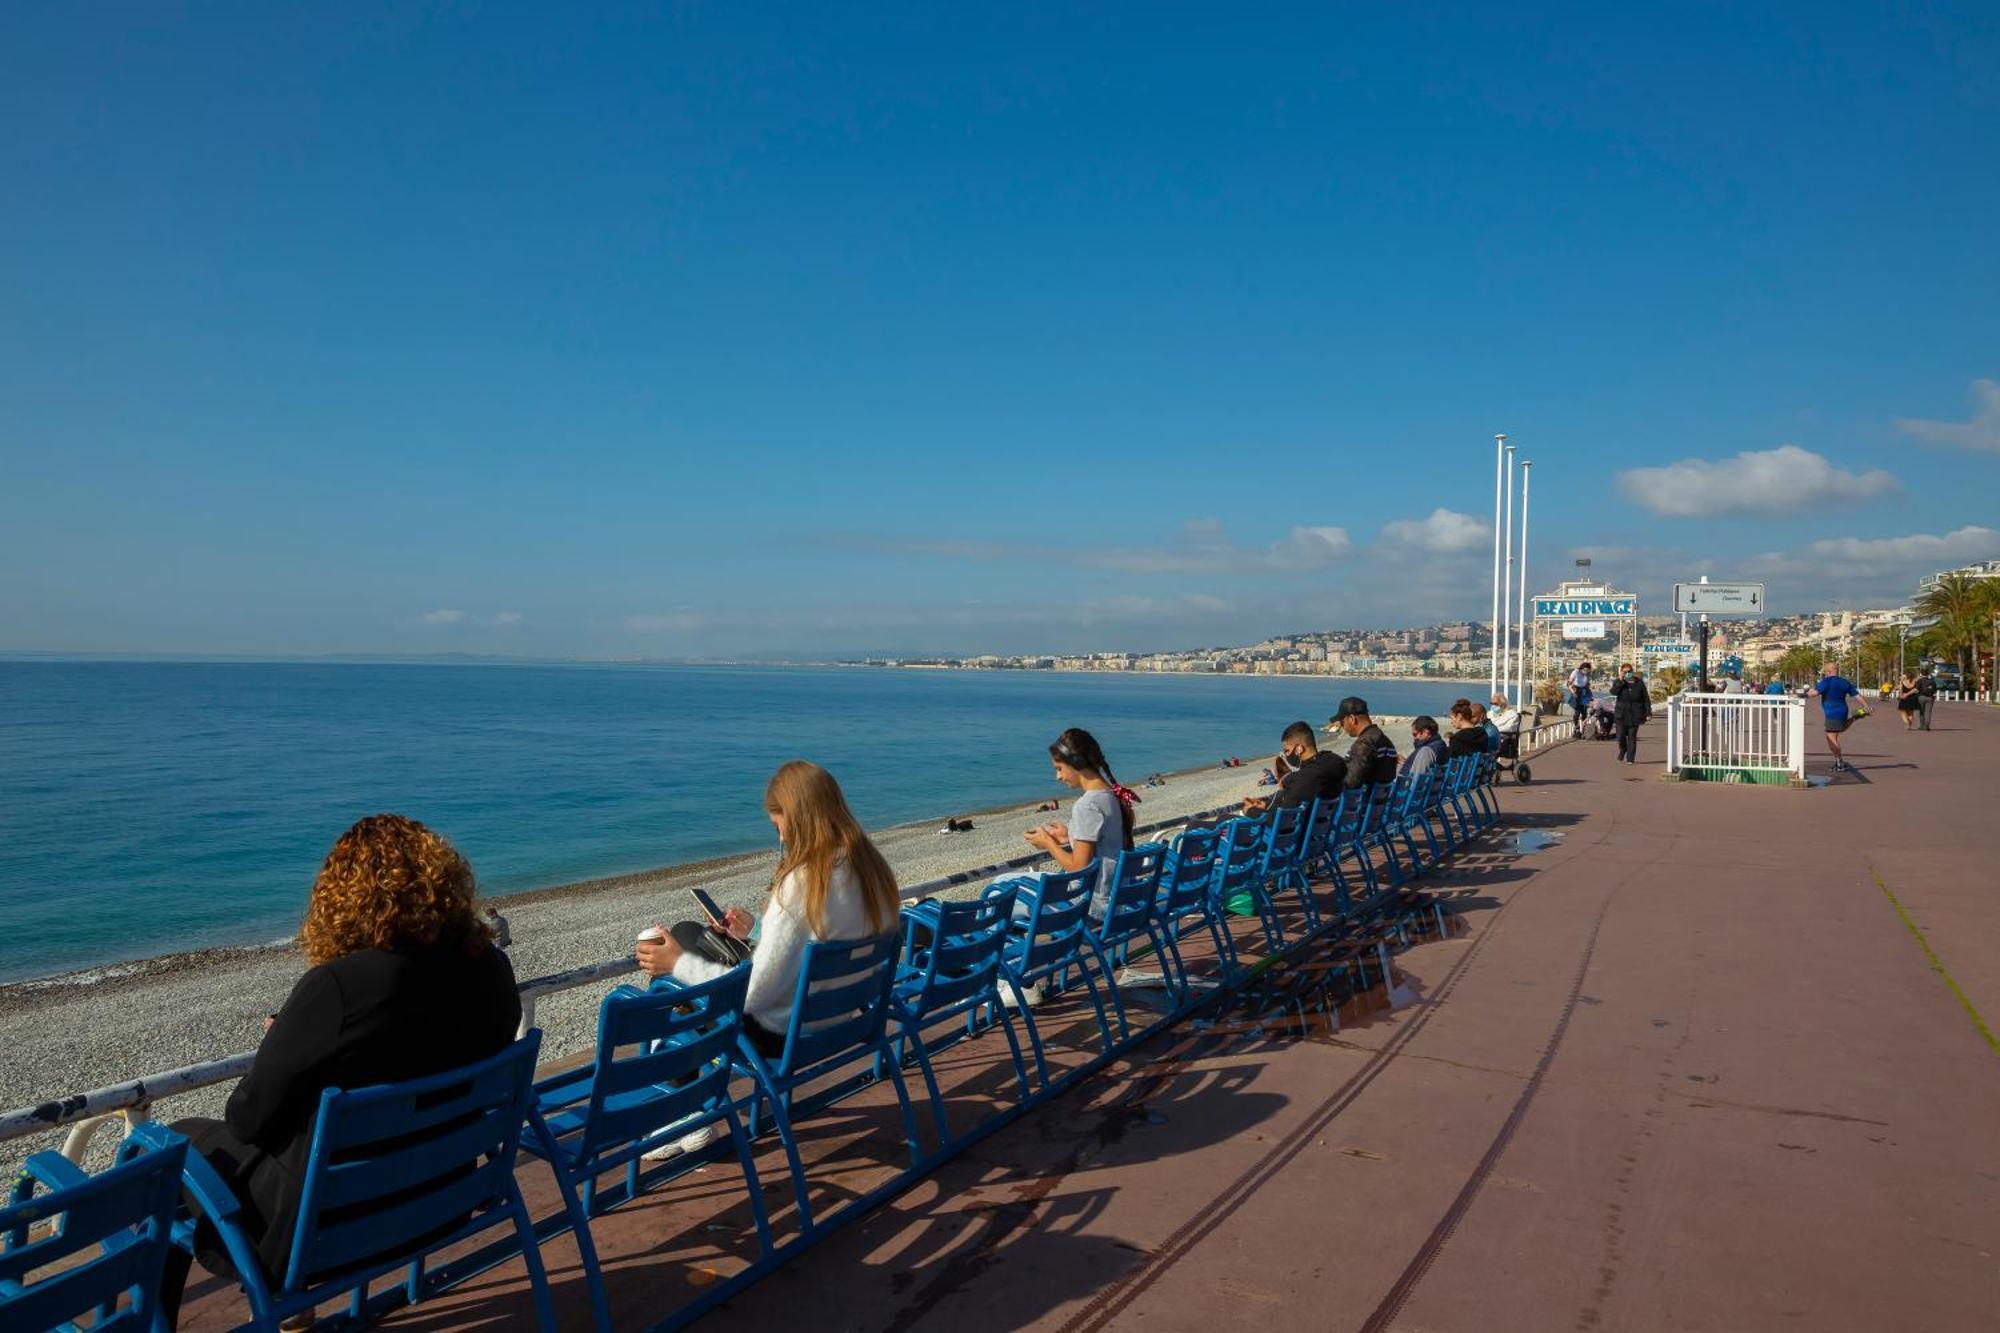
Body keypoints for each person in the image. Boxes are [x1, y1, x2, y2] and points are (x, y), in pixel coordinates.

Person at [163, 815, 521, 1319]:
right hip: (441, 1199)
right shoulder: (490, 967)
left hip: (323, 1231)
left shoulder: (337, 989)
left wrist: (287, 1045)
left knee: (165, 1148)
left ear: (345, 897)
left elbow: (248, 1119)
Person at [1243, 721, 1345, 816]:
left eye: (1287, 751)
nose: (1285, 755)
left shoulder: (1302, 780)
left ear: (1299, 748)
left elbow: (1283, 818)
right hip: (1324, 822)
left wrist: (1250, 811)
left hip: (1302, 827)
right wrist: (1266, 805)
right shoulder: (1336, 763)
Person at [1329, 696, 1398, 787]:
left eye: (1342, 722)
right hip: (1380, 794)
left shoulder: (1365, 743)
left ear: (1352, 719)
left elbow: (1352, 781)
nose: (1342, 727)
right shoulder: (1384, 740)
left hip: (1366, 795)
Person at [1813, 662, 1861, 772]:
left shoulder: (1826, 682)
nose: (1824, 674)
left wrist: (1804, 694)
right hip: (1843, 710)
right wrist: (1866, 706)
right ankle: (1854, 717)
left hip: (1832, 712)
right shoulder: (1844, 682)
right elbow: (1857, 695)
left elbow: (1814, 693)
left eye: (1825, 672)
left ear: (1828, 671)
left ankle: (1840, 763)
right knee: (1840, 729)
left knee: (1831, 737)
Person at [1610, 663, 1651, 763]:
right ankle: (1623, 749)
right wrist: (1620, 680)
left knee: (1632, 737)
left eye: (1629, 671)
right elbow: (1613, 692)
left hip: (1635, 714)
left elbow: (1645, 698)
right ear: (1621, 672)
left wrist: (1648, 712)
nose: (1627, 673)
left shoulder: (1639, 683)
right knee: (1620, 736)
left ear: (1632, 671)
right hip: (1621, 713)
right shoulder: (1618, 682)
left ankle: (1630, 759)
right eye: (1625, 672)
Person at [1488, 692, 1522, 759]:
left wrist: (1493, 730)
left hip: (1504, 740)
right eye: (1491, 703)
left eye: (1495, 704)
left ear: (1503, 703)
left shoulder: (1512, 714)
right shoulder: (1490, 714)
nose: (1493, 706)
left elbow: (1509, 728)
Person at [1567, 661, 1594, 737]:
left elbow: (1587, 685)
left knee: (1584, 712)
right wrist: (1573, 692)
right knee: (1577, 712)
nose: (1586, 672)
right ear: (1581, 668)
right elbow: (1569, 684)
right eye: (1585, 670)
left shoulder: (1587, 674)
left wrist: (1590, 695)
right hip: (1576, 691)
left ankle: (1584, 730)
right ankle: (1576, 729)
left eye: (1588, 670)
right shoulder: (1575, 672)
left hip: (1584, 692)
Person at [1916, 667, 1937, 731]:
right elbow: (1935, 690)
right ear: (1928, 674)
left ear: (1921, 673)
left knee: (1922, 712)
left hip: (1921, 697)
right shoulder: (1932, 681)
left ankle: (1921, 726)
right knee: (1928, 712)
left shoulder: (1920, 680)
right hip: (1930, 698)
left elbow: (1916, 689)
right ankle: (1927, 725)